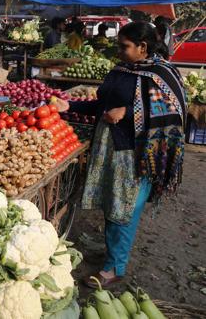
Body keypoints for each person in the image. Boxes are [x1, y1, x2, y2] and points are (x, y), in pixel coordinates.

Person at [53, 21, 186, 287]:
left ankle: (115, 267)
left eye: (124, 47)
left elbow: (173, 114)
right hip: (109, 146)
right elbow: (102, 103)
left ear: (143, 47)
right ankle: (114, 253)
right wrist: (70, 105)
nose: (119, 51)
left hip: (135, 154)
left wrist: (126, 112)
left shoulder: (162, 74)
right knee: (111, 203)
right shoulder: (121, 69)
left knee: (123, 208)